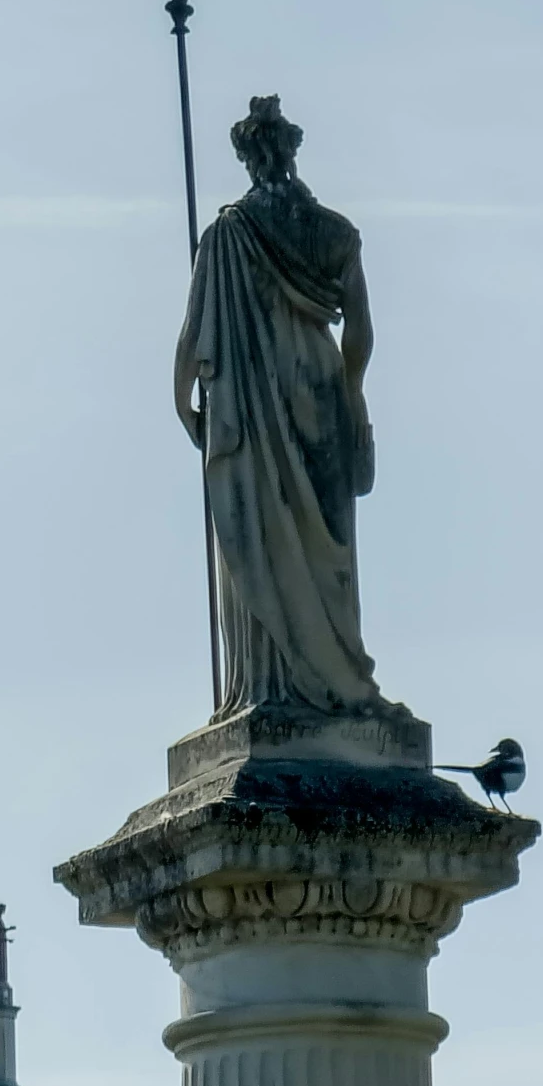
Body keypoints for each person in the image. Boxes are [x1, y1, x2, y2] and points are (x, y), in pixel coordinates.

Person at [174, 96, 380, 716]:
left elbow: (193, 336)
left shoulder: (227, 235)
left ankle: (271, 688)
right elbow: (361, 336)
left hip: (253, 399)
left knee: (261, 538)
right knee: (327, 557)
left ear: (250, 157)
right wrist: (352, 396)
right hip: (319, 389)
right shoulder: (334, 232)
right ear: (290, 150)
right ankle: (336, 678)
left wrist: (182, 400)